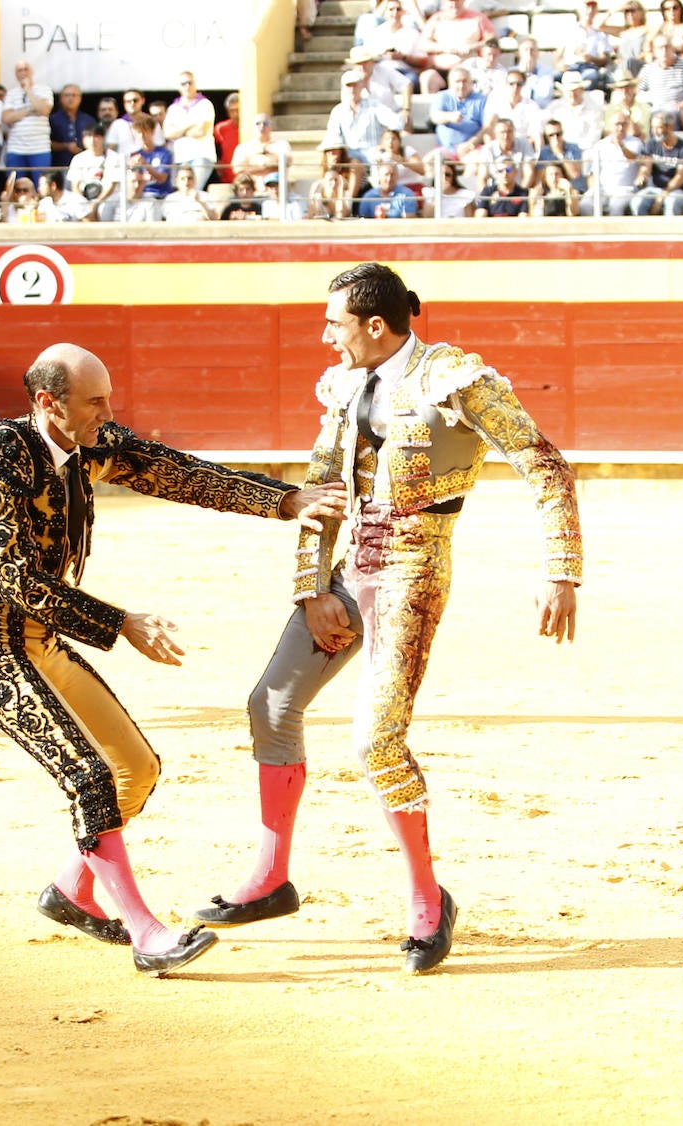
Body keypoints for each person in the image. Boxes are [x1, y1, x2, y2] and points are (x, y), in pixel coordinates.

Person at [193, 262, 581, 976]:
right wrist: (313, 589)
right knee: (271, 706)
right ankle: (272, 878)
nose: (324, 336)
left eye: (333, 323)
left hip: (414, 572)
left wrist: (561, 570)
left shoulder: (455, 380)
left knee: (376, 741)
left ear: (375, 325)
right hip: (348, 574)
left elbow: (545, 465)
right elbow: (321, 492)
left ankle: (428, 902)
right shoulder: (342, 386)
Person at [0, 342, 346, 975]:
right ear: (49, 403)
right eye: (95, 401)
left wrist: (284, 500)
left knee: (135, 769)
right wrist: (120, 623)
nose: (109, 411)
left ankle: (71, 892)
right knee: (92, 780)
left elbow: (170, 469)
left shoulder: (87, 442)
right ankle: (146, 934)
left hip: (44, 643)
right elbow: (17, 580)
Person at [630, 109, 683, 214]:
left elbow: (680, 177)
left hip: (676, 191)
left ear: (670, 127)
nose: (655, 131)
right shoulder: (651, 144)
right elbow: (646, 166)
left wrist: (663, 195)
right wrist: (642, 175)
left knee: (671, 203)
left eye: (658, 128)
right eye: (653, 128)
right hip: (654, 189)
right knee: (637, 202)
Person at [1, 57, 52, 179]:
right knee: (15, 185)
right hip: (16, 148)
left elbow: (44, 110)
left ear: (32, 71)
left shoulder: (44, 90)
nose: (23, 72)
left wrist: (28, 90)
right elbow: (7, 118)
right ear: (16, 74)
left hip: (39, 148)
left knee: (42, 185)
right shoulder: (11, 93)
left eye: (26, 69)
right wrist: (30, 110)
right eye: (19, 70)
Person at [163, 70, 215, 186]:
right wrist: (189, 125)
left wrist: (179, 131)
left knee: (194, 190)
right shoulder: (173, 108)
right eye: (183, 84)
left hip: (201, 156)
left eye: (190, 83)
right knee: (184, 193)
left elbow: (200, 131)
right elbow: (167, 133)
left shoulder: (205, 104)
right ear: (179, 87)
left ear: (195, 84)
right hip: (181, 157)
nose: (187, 86)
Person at [48, 83, 93, 169]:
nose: (70, 98)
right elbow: (46, 144)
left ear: (80, 98)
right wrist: (66, 146)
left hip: (85, 166)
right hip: (60, 166)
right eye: (67, 95)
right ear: (61, 98)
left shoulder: (88, 120)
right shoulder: (52, 119)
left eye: (74, 95)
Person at [213, 90, 239, 183]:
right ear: (228, 112)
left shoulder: (252, 127)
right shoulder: (221, 128)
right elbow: (211, 147)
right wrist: (216, 162)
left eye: (238, 110)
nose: (236, 114)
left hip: (245, 178)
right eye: (232, 110)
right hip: (226, 177)